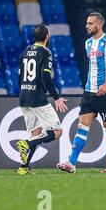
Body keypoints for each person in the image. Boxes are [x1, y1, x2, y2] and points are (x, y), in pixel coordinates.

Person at [56, 12, 106, 173]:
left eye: (90, 23)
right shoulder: (88, 43)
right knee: (82, 125)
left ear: (99, 25)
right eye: (87, 23)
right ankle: (72, 162)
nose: (87, 26)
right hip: (89, 93)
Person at [16, 24, 68, 175]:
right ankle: (27, 143)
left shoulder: (24, 52)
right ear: (46, 37)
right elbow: (46, 76)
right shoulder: (45, 53)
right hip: (37, 98)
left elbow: (19, 77)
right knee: (57, 131)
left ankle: (24, 167)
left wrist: (25, 90)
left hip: (24, 96)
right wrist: (56, 97)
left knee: (36, 133)